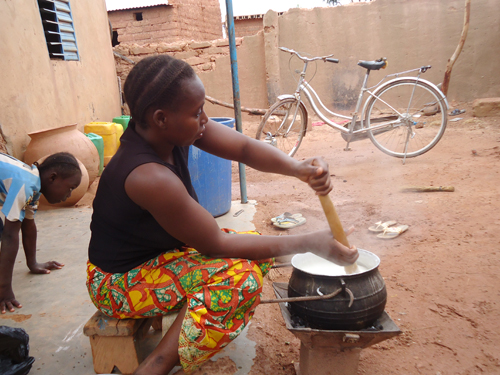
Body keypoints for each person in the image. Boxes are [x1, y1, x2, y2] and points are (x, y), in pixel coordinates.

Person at [86, 55, 358, 375]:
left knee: (253, 246)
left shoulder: (168, 131)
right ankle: (155, 365)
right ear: (161, 118)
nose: (204, 119)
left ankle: (177, 329)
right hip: (116, 283)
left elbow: (243, 149)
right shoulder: (149, 176)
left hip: (155, 257)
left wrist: (299, 169)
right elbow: (216, 245)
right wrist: (310, 242)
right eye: (197, 111)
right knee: (239, 280)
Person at [0, 152, 82, 314]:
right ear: (52, 178)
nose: (69, 195)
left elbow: (28, 224)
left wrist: (33, 264)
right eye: (70, 188)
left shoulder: (33, 185)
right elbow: (10, 235)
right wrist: (4, 289)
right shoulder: (25, 184)